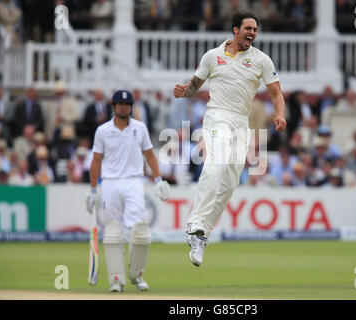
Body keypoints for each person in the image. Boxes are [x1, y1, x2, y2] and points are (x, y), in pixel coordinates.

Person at [173, 12, 286, 267]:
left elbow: (276, 92)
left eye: (255, 30)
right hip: (217, 116)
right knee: (218, 163)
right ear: (236, 30)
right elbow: (194, 85)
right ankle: (195, 221)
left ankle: (201, 235)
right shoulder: (212, 56)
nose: (252, 33)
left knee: (232, 179)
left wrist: (279, 114)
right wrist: (184, 92)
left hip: (241, 123)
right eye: (248, 28)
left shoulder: (261, 60)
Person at [86, 90, 170, 292]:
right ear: (113, 107)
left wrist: (158, 180)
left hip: (134, 182)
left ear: (131, 107)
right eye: (120, 104)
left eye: (127, 104)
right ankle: (116, 278)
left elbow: (150, 156)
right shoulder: (103, 130)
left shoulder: (139, 128)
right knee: (113, 232)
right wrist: (92, 189)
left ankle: (137, 275)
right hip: (110, 184)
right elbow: (96, 160)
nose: (124, 107)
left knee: (141, 231)